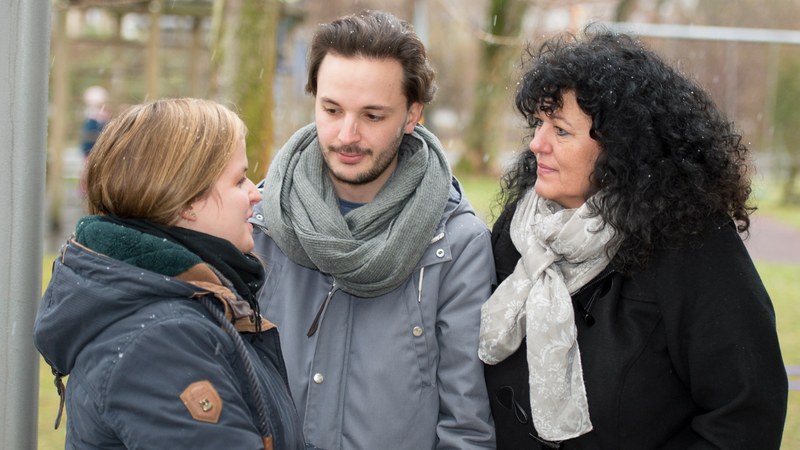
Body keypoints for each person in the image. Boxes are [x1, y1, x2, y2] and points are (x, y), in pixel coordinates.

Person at [479, 28, 788, 449]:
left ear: (620, 146)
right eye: (538, 123)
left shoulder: (692, 245)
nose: (536, 143)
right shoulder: (518, 230)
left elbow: (745, 413)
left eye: (561, 130)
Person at [250, 10, 496, 450]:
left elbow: (466, 428)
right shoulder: (259, 222)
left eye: (373, 116)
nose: (347, 135)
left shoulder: (457, 245)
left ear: (412, 115)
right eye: (331, 110)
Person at [34, 98, 314, 449]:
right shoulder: (159, 342)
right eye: (240, 179)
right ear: (187, 202)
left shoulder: (175, 306)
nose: (254, 195)